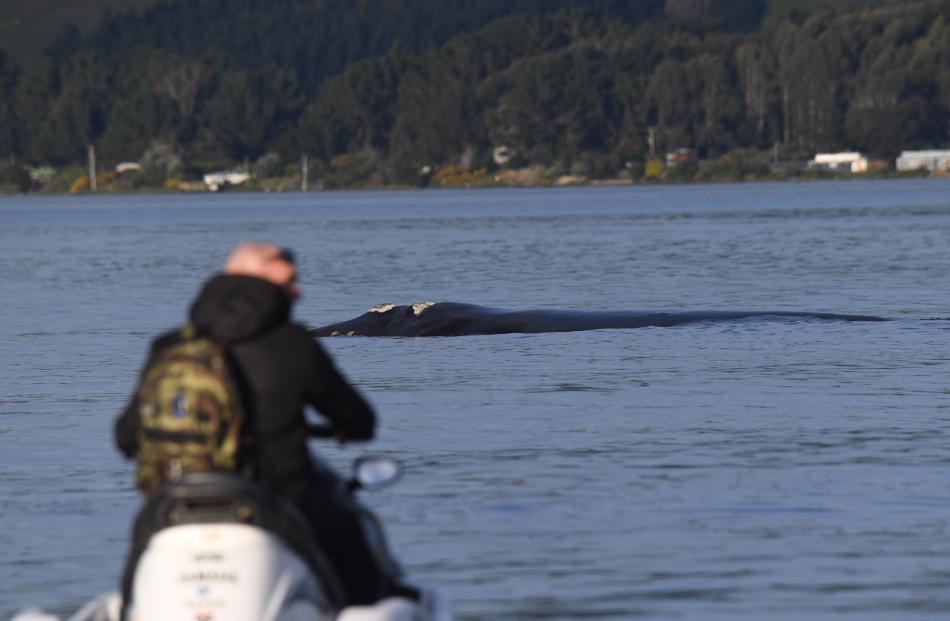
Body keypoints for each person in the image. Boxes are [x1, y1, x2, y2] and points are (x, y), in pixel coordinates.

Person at [114, 241, 410, 608]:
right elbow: (359, 419)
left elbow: (126, 437)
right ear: (257, 286)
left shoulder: (169, 347)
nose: (298, 291)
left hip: (175, 503)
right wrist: (345, 428)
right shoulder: (291, 344)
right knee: (357, 555)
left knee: (133, 578)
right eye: (289, 282)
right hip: (275, 501)